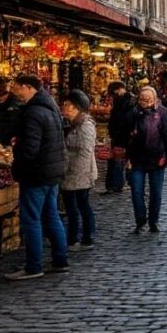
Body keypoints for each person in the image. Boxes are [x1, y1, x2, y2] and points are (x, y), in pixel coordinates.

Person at [5, 75, 68, 280]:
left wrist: (18, 163)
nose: (15, 91)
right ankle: (60, 259)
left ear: (28, 87)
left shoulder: (33, 112)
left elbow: (31, 148)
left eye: (17, 87)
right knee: (51, 215)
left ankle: (34, 266)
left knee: (31, 219)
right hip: (52, 172)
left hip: (37, 173)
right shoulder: (51, 108)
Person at [127, 86, 167, 234]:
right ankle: (140, 220)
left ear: (155, 99)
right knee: (136, 191)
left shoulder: (163, 113)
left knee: (156, 193)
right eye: (142, 98)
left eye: (148, 99)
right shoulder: (133, 113)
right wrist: (126, 157)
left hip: (156, 158)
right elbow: (125, 135)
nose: (145, 101)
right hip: (137, 159)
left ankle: (153, 221)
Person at [61, 89, 97, 248]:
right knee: (73, 206)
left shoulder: (85, 125)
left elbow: (85, 152)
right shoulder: (73, 124)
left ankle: (84, 237)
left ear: (77, 108)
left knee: (80, 204)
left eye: (69, 106)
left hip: (79, 172)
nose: (65, 109)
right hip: (71, 172)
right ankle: (75, 237)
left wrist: (76, 173)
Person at [104, 81, 132, 194]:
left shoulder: (126, 102)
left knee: (118, 160)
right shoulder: (122, 101)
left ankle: (116, 184)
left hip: (121, 135)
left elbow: (122, 119)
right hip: (118, 135)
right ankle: (114, 183)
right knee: (116, 160)